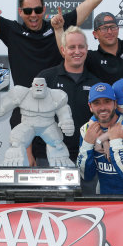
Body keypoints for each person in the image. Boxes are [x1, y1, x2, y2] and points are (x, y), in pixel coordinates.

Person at [33, 24, 101, 167]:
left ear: (86, 49)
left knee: (88, 191)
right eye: (72, 47)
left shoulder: (96, 83)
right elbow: (29, 117)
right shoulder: (45, 78)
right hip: (48, 157)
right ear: (63, 50)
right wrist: (27, 152)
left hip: (87, 157)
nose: (77, 51)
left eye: (81, 46)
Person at [0, 75, 75, 167]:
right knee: (16, 143)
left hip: (48, 126)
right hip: (28, 125)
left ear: (46, 86)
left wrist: (66, 121)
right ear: (32, 85)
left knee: (57, 146)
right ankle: (15, 159)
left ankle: (61, 160)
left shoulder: (56, 96)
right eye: (37, 85)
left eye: (41, 85)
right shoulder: (22, 94)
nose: (39, 88)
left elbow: (63, 109)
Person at [77, 82, 123, 194]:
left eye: (107, 101)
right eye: (96, 103)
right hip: (105, 203)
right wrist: (87, 144)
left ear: (115, 104)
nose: (102, 108)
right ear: (90, 107)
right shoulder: (87, 130)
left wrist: (116, 142)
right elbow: (86, 175)